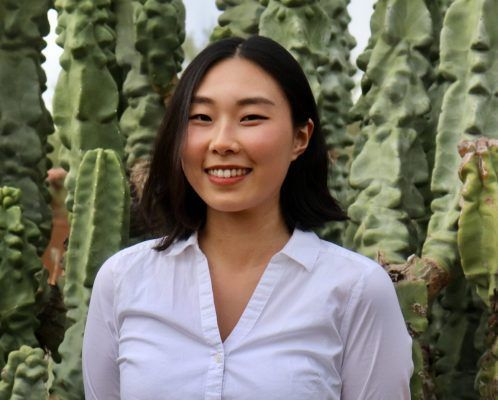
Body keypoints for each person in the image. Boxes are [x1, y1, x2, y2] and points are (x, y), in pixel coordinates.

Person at [82, 36, 413, 399]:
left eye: (251, 117)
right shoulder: (123, 280)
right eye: (201, 117)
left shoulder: (358, 290)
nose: (222, 142)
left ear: (300, 137)